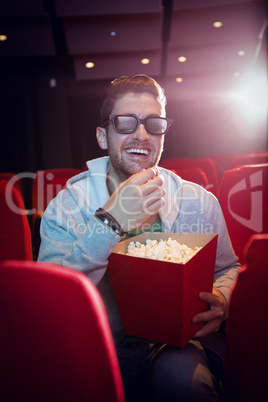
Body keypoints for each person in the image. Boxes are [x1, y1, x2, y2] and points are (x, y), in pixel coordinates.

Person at [38, 74, 240, 401]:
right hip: (99, 345)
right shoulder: (66, 208)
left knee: (179, 380)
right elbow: (50, 304)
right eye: (125, 123)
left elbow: (229, 268)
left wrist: (224, 300)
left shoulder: (199, 202)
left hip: (177, 345)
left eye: (153, 123)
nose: (142, 134)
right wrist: (111, 220)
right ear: (102, 136)